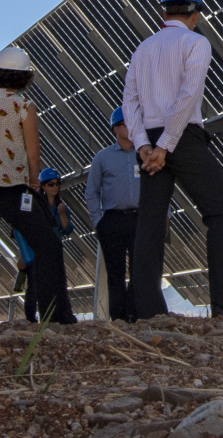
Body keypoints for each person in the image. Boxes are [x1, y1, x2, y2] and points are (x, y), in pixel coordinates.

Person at [122, 0, 223, 319]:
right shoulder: (196, 43)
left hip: (150, 142)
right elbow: (188, 96)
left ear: (162, 10)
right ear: (195, 12)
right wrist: (165, 145)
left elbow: (129, 104)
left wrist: (143, 147)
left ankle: (148, 311)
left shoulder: (142, 49)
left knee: (150, 222)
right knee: (219, 213)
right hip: (182, 137)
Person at [0, 46, 77, 324]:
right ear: (24, 77)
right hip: (12, 188)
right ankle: (57, 315)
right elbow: (33, 153)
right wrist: (33, 183)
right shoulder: (24, 106)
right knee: (48, 245)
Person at [85, 107, 140, 322]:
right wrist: (99, 222)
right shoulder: (102, 158)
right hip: (112, 220)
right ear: (116, 128)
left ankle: (135, 314)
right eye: (128, 123)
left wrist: (165, 214)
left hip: (139, 219)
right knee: (115, 273)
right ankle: (117, 317)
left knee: (139, 270)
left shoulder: (143, 153)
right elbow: (91, 192)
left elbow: (158, 187)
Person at [13, 167, 74, 322]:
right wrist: (24, 254)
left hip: (54, 249)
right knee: (34, 284)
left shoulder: (61, 207)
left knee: (57, 283)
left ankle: (58, 315)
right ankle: (31, 319)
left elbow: (67, 230)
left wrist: (61, 214)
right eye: (51, 184)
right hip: (37, 250)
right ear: (43, 186)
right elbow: (22, 228)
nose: (55, 187)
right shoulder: (35, 205)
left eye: (57, 184)